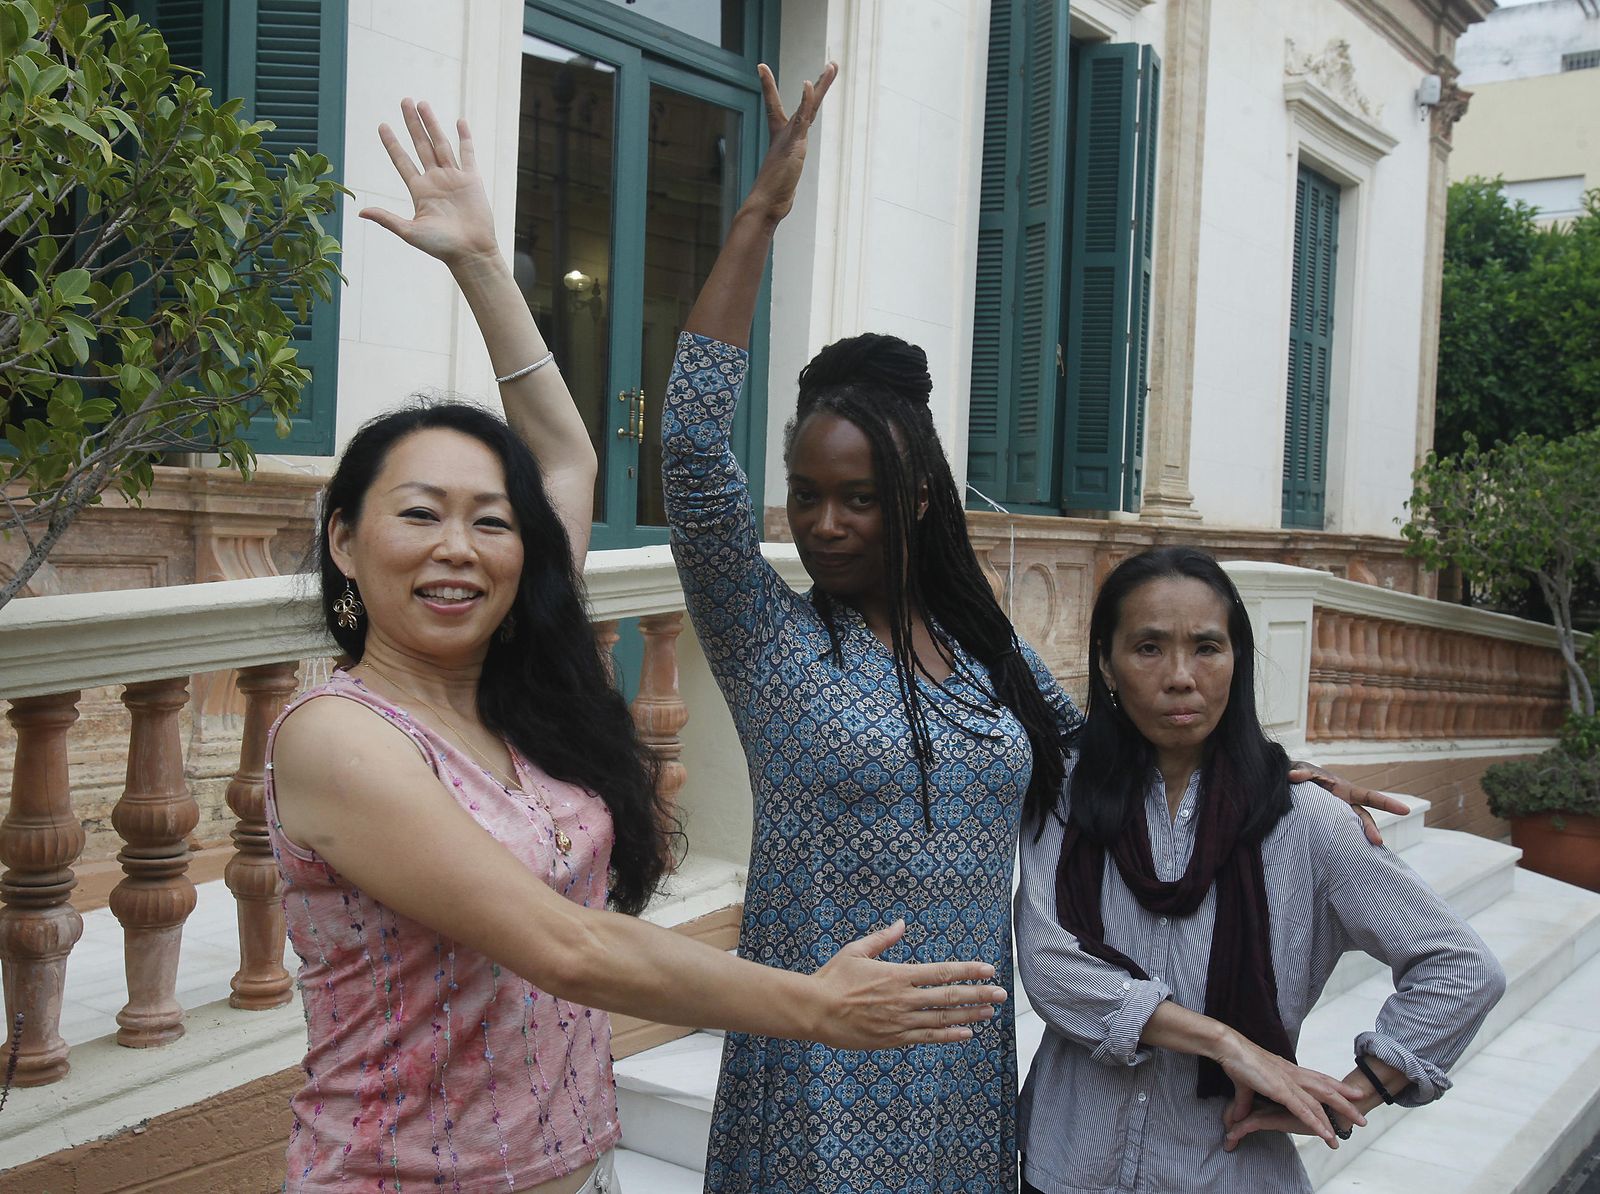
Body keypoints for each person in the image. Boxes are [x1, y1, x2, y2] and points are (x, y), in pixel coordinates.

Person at [661, 64, 1406, 1194]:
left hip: (962, 1068)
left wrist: (1269, 772)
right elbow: (687, 449)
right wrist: (761, 215)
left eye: (856, 498)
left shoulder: (983, 654)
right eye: (804, 495)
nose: (821, 523)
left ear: (917, 499)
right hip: (819, 1054)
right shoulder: (770, 642)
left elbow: (1105, 750)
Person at [264, 99, 1007, 1194]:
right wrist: (812, 1006)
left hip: (575, 1159)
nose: (458, 549)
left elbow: (565, 457)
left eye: (490, 521)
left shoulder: (515, 679)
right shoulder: (339, 739)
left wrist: (481, 265)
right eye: (418, 514)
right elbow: (569, 946)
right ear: (343, 539)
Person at [1014, 546, 1506, 1193]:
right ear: (1106, 661)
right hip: (1069, 1166)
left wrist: (1361, 1089)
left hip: (1226, 1169)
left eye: (1207, 648)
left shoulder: (1305, 820)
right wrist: (1226, 1043)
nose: (1180, 676)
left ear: (1237, 659)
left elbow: (1462, 968)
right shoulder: (1062, 796)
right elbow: (1053, 969)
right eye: (1149, 648)